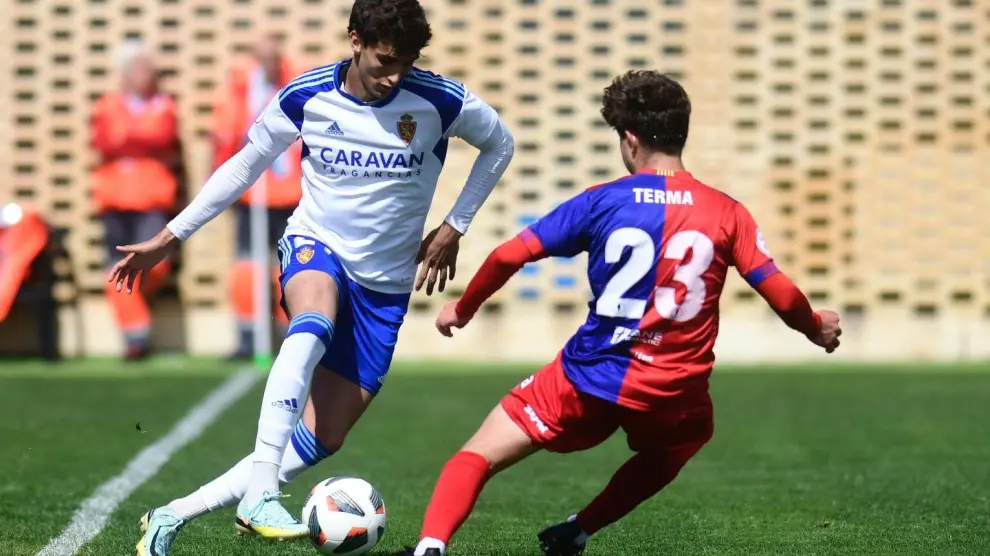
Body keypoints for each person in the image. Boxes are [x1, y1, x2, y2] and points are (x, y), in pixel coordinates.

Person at [114, 1, 515, 555]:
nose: (394, 76)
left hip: (386, 285)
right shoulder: (306, 95)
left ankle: (171, 514)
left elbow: (501, 144)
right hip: (315, 245)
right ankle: (259, 495)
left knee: (325, 436)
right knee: (314, 317)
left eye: (406, 63)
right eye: (384, 61)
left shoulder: (440, 100)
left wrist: (456, 224)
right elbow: (243, 166)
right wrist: (170, 236)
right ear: (355, 40)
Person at [394, 70, 842, 556]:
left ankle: (431, 548)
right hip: (673, 391)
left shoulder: (603, 201)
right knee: (678, 444)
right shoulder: (727, 212)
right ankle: (579, 529)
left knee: (478, 454)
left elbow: (507, 256)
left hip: (588, 378)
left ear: (630, 140)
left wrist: (461, 310)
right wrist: (815, 327)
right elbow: (781, 295)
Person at [212, 35, 304, 359]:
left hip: (292, 195)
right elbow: (224, 137)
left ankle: (291, 337)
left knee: (292, 267)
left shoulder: (298, 85)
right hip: (252, 194)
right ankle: (249, 338)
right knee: (248, 268)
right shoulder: (239, 91)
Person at [92, 40, 181, 360]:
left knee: (155, 265)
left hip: (152, 200)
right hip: (114, 200)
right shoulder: (107, 104)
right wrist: (140, 137)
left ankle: (137, 324)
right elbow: (105, 140)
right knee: (114, 269)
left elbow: (163, 135)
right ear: (126, 73)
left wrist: (128, 136)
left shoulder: (163, 105)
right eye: (142, 69)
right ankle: (136, 335)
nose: (148, 75)